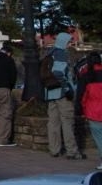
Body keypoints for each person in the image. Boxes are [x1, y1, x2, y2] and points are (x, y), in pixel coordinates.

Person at [44, 32, 85, 160]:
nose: (70, 44)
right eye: (68, 41)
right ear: (63, 42)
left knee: (53, 122)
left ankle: (54, 149)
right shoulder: (61, 53)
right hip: (61, 93)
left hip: (50, 92)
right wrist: (67, 89)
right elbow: (58, 73)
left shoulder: (50, 53)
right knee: (67, 122)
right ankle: (72, 151)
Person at [75, 51, 102, 169]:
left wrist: (80, 111)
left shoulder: (86, 76)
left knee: (99, 138)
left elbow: (81, 96)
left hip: (93, 111)